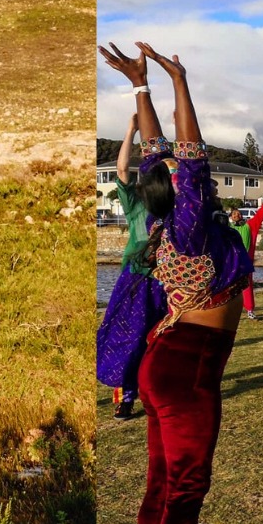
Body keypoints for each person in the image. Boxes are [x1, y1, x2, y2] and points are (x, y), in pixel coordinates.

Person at [103, 41, 252, 524]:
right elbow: (186, 158)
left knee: (163, 483)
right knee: (185, 492)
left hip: (169, 363)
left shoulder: (167, 218)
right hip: (188, 367)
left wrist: (141, 88)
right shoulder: (188, 231)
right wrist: (179, 81)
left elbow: (163, 155)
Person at [98, 112, 169, 422]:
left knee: (158, 338)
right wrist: (130, 130)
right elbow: (123, 168)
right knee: (127, 336)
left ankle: (156, 393)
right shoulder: (135, 203)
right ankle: (124, 399)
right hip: (134, 279)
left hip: (163, 282)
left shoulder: (171, 208)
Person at [233, 191, 263, 321]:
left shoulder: (249, 226)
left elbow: (260, 214)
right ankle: (230, 310)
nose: (237, 215)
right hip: (231, 262)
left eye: (238, 213)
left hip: (245, 262)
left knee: (247, 287)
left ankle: (250, 310)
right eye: (234, 214)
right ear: (231, 217)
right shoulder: (227, 227)